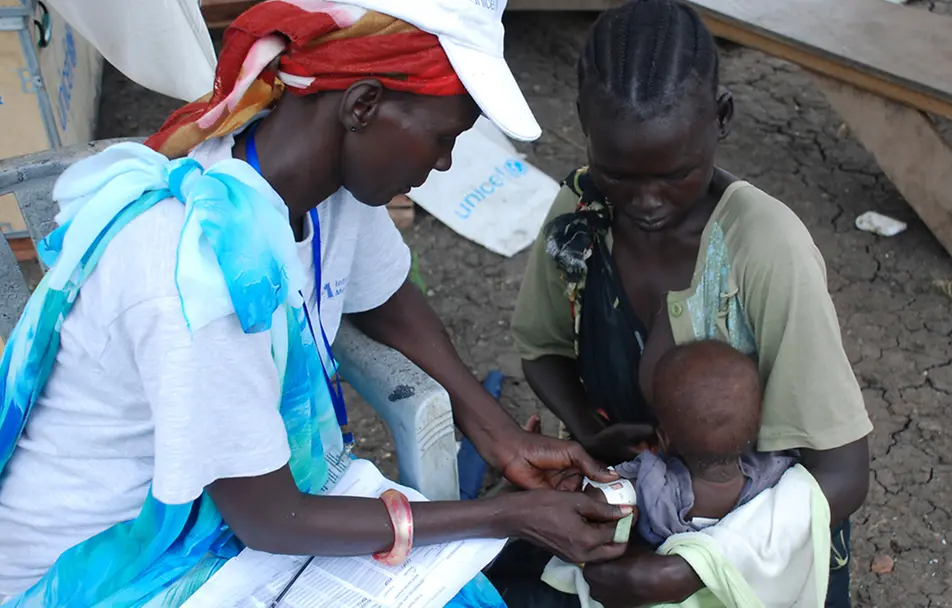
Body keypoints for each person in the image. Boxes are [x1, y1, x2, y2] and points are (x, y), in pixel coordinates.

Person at [0, 1, 634, 605]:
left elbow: (388, 301)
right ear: (363, 104)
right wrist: (504, 517)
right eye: (444, 137)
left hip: (216, 523)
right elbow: (274, 520)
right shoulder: (202, 272)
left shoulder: (320, 186)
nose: (444, 164)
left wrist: (498, 437)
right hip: (108, 562)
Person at [501, 0, 872, 606]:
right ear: (584, 126)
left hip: (758, 534)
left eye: (675, 173)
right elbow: (541, 349)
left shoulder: (766, 250)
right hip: (635, 504)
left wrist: (695, 569)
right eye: (618, 173)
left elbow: (842, 475)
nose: (645, 202)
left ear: (721, 119)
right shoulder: (580, 212)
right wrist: (591, 442)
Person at [603, 340, 797, 546]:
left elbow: (606, 495)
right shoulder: (780, 473)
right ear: (759, 424)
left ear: (664, 439)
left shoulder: (653, 483)